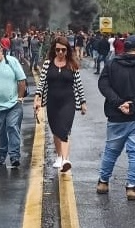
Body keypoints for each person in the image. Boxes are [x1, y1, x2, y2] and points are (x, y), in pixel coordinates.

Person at [96, 35, 135, 201]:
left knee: (111, 150)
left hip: (116, 116)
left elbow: (103, 85)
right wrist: (134, 105)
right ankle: (132, 187)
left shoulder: (111, 64)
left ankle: (103, 182)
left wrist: (118, 103)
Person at [33, 36, 87, 172]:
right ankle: (59, 156)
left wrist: (83, 102)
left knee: (64, 130)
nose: (61, 53)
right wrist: (37, 98)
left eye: (63, 50)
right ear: (54, 50)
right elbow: (42, 83)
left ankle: (66, 159)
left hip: (68, 102)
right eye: (58, 50)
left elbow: (79, 85)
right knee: (56, 131)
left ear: (68, 50)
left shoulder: (72, 65)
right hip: (52, 101)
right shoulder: (47, 64)